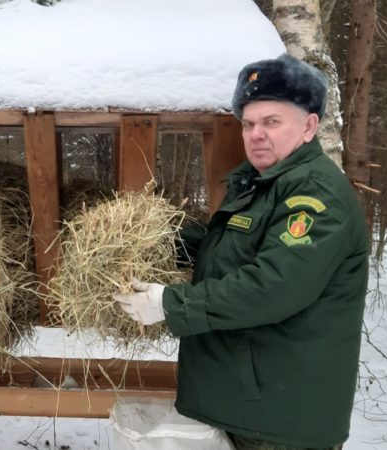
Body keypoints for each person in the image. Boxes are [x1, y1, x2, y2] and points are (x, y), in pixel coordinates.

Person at [114, 54, 369, 449]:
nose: (255, 134)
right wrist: (149, 241)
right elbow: (230, 251)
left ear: (309, 126)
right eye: (248, 124)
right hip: (247, 406)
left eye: (271, 122)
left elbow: (273, 287)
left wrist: (171, 303)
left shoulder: (315, 194)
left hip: (280, 423)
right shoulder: (263, 185)